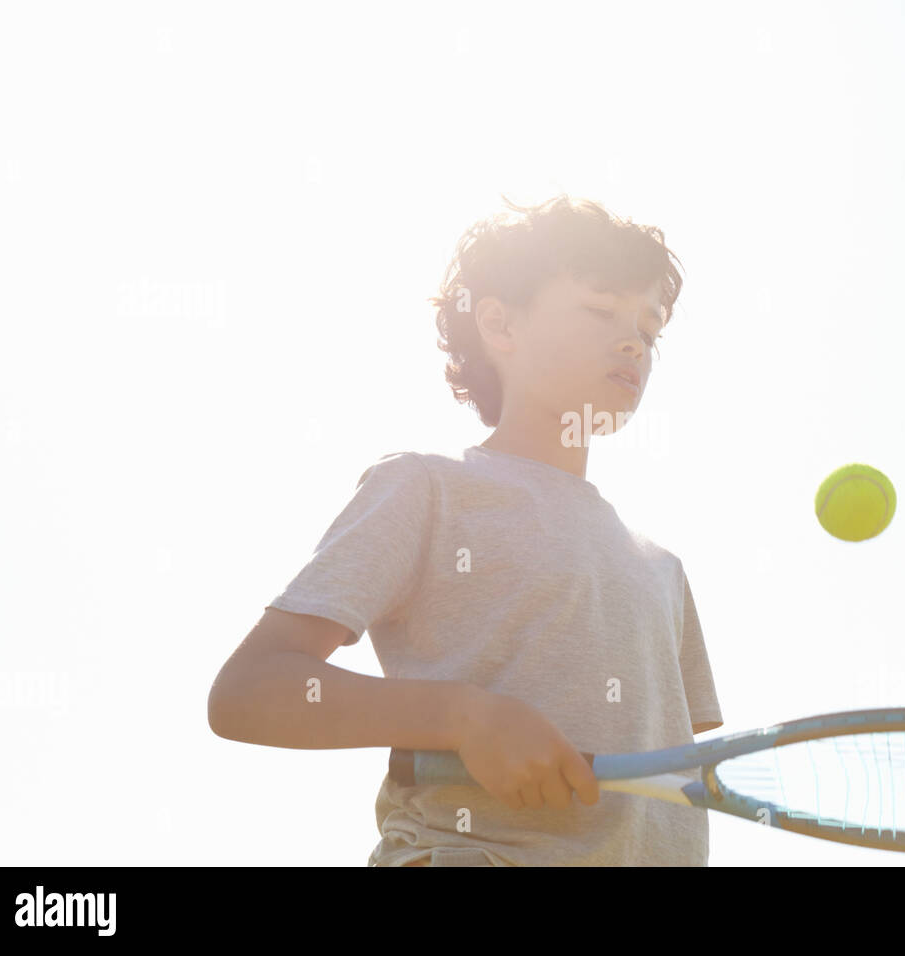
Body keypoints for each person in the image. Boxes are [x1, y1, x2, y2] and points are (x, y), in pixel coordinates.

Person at [207, 194, 724, 865]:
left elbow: (683, 774)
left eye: (648, 331)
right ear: (500, 326)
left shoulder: (663, 570)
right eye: (601, 309)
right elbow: (250, 691)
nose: (633, 341)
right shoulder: (426, 488)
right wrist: (463, 718)